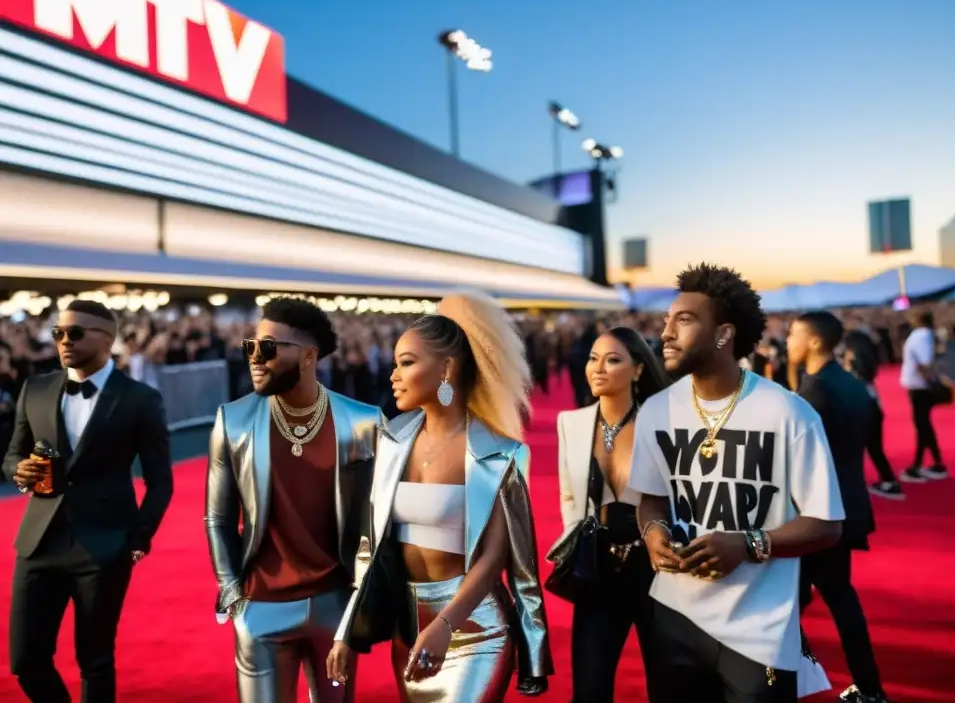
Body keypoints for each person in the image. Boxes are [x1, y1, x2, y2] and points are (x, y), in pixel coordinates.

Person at [628, 263, 844, 703]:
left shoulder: (788, 412)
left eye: (683, 320)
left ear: (724, 335)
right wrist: (653, 533)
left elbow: (827, 524)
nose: (665, 332)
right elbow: (650, 498)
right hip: (673, 614)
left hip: (759, 626)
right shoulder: (656, 410)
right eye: (667, 320)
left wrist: (747, 544)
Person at [326, 292, 553, 701]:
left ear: (447, 367)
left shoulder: (499, 452)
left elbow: (495, 558)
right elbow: (370, 549)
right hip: (408, 631)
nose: (393, 375)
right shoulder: (391, 441)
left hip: (476, 630)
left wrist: (446, 624)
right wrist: (345, 631)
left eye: (407, 363)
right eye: (395, 363)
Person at [204, 297, 377, 703]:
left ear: (308, 356)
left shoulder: (363, 421)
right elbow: (217, 518)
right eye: (249, 347)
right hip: (260, 606)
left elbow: (377, 521)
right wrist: (232, 594)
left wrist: (360, 608)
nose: (254, 358)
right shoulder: (234, 420)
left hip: (337, 606)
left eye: (267, 347)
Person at [2, 300, 173, 703]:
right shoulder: (36, 388)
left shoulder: (140, 399)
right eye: (58, 333)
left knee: (94, 661)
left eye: (75, 333)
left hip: (104, 544)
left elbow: (160, 482)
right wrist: (18, 470)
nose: (64, 340)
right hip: (38, 542)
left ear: (107, 339)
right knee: (25, 660)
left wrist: (137, 539)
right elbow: (12, 454)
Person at [555, 326, 671, 701]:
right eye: (593, 358)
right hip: (597, 570)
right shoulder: (569, 423)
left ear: (638, 370)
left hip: (655, 568)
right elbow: (569, 498)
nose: (598, 368)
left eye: (613, 359)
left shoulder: (662, 423)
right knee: (589, 689)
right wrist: (575, 551)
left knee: (668, 686)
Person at [787, 312, 889, 703]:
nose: (788, 342)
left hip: (816, 513)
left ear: (814, 341)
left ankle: (781, 682)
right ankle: (869, 687)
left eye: (794, 334)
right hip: (847, 504)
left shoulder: (815, 393)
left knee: (790, 602)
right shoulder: (851, 384)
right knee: (836, 597)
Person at [842, 330, 903, 500]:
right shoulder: (867, 364)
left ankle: (884, 482)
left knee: (860, 449)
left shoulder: (853, 366)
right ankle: (889, 480)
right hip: (873, 406)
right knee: (874, 448)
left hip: (863, 408)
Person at [899, 311, 947, 482]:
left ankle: (919, 464)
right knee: (923, 424)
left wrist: (931, 382)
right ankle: (935, 462)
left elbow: (923, 362)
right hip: (918, 384)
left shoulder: (922, 335)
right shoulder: (922, 335)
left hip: (920, 386)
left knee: (922, 425)